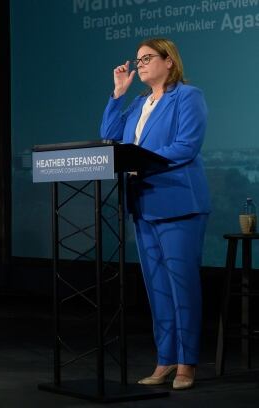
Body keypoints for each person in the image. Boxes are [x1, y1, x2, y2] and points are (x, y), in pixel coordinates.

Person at [101, 38, 210, 390]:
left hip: (178, 203)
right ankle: (165, 360)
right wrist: (118, 93)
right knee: (158, 289)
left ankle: (186, 363)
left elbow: (186, 146)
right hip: (143, 204)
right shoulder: (137, 103)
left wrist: (139, 165)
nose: (140, 64)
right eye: (137, 59)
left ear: (168, 61)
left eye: (147, 58)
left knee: (182, 287)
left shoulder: (188, 96)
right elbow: (109, 138)